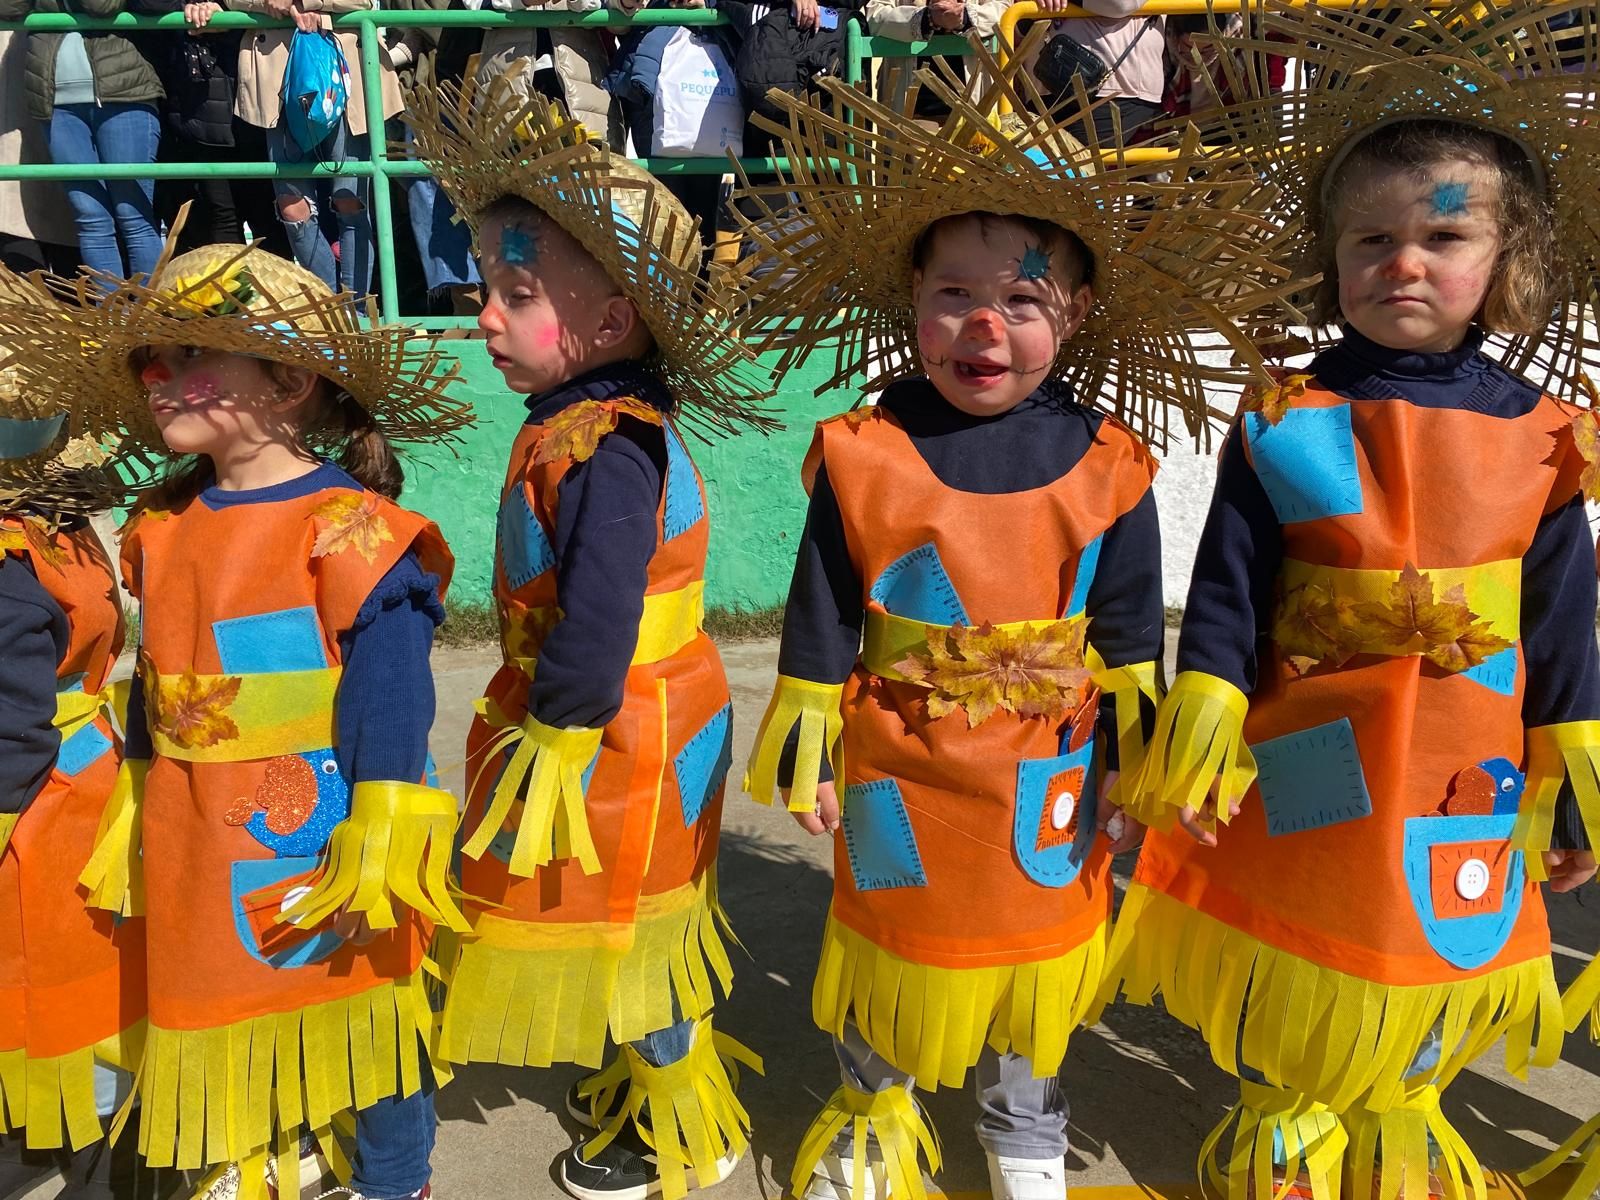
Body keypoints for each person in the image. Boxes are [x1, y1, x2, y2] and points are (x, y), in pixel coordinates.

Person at [734, 36, 1290, 1200]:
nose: (983, 327)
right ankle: (873, 1111)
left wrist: (1132, 764)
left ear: (1074, 312)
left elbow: (1128, 638)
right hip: (899, 759)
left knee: (1034, 961)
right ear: (913, 301)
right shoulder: (864, 453)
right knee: (889, 945)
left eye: (1022, 299)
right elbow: (821, 610)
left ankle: (1023, 1128)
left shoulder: (1108, 463)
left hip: (1050, 772)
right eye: (954, 296)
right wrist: (807, 738)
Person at [1107, 5, 1600, 1200]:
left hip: (1464, 755)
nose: (1403, 263)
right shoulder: (1286, 412)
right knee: (1297, 930)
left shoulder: (1543, 435)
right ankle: (1286, 1126)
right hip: (1305, 739)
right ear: (1330, 257)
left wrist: (1573, 771)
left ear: (1507, 262)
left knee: (1438, 932)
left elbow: (1560, 615)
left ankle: (1396, 1128)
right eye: (1371, 237)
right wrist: (1203, 713)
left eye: (1444, 234)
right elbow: (1227, 581)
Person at [11, 227, 475, 1200]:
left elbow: (390, 694)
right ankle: (250, 1150)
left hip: (334, 834)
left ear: (289, 383)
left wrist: (383, 823)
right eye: (152, 357)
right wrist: (139, 791)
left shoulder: (352, 533)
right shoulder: (160, 529)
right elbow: (157, 677)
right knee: (216, 1001)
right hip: (193, 836)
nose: (156, 374)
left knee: (365, 1009)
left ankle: (395, 1179)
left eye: (191, 353)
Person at [405, 80, 774, 1200]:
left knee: (635, 924)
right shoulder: (581, 428)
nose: (485, 316)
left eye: (516, 295)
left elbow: (605, 610)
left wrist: (560, 728)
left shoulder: (610, 448)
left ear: (610, 324)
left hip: (622, 729)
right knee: (624, 910)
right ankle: (645, 1074)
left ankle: (681, 1121)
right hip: (619, 713)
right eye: (486, 289)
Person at [0, 271, 157, 1199]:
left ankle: (75, 1156)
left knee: (44, 988)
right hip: (90, 777)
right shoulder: (59, 531)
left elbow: (9, 731)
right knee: (91, 984)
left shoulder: (9, 561)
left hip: (35, 810)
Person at [218, 0, 404, 294]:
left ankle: (353, 309)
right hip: (277, 76)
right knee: (292, 208)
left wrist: (305, 2)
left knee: (350, 199)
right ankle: (326, 306)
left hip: (347, 72)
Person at [0, 0, 165, 281]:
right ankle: (108, 308)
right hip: (56, 104)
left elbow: (102, 6)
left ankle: (148, 307)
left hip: (122, 95)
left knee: (133, 215)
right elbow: (9, 8)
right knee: (91, 219)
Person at [137, 0, 289, 257]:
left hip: (256, 104)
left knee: (266, 215)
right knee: (222, 217)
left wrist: (225, 15)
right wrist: (186, 8)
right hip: (198, 109)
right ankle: (231, 284)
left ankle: (273, 284)